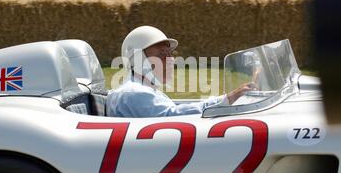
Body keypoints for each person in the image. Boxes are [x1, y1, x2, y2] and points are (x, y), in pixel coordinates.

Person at [107, 26, 254, 118]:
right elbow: (175, 116)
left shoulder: (143, 90)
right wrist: (228, 99)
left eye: (171, 53)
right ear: (138, 59)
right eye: (163, 54)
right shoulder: (136, 93)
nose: (171, 60)